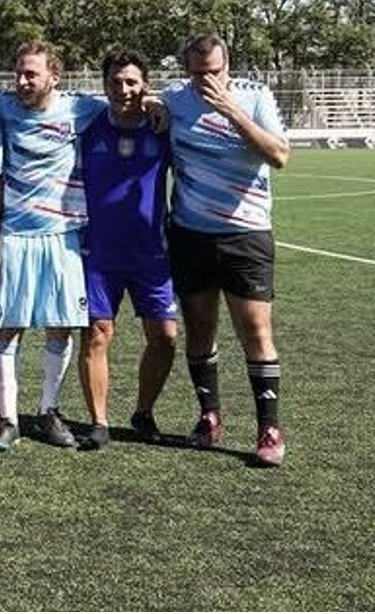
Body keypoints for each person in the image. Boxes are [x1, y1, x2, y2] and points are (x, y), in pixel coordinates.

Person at [164, 32, 290, 467]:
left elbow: (279, 156)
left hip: (246, 234)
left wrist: (232, 111)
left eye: (215, 72)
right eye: (198, 74)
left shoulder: (256, 97)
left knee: (255, 331)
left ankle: (269, 428)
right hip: (190, 234)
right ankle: (209, 416)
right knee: (199, 330)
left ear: (228, 66)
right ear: (187, 70)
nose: (207, 81)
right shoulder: (175, 99)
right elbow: (136, 104)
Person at [0, 40, 106, 452]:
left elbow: (125, 107)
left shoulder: (81, 108)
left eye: (31, 74)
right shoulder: (2, 106)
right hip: (16, 236)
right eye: (18, 72)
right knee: (9, 328)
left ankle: (48, 411)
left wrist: (154, 105)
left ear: (55, 76)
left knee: (61, 326)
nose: (22, 81)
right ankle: (8, 419)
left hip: (64, 234)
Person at [76, 49, 179, 450]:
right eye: (115, 82)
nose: (123, 89)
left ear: (145, 85)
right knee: (97, 334)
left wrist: (160, 106)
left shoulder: (162, 126)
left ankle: (143, 412)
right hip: (98, 252)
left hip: (151, 252)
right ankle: (99, 422)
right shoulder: (87, 123)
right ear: (104, 85)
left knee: (165, 336)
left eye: (132, 82)